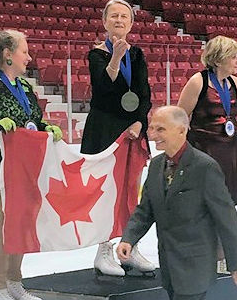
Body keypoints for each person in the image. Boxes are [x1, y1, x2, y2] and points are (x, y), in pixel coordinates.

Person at [0, 29, 62, 300]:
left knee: (20, 221)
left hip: (20, 166)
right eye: (24, 51)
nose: (29, 57)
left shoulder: (25, 87)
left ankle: (14, 282)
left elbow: (33, 122)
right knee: (4, 220)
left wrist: (46, 127)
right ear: (8, 54)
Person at [117, 106, 237, 300]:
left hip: (195, 267)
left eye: (160, 129)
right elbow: (145, 209)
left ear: (181, 130)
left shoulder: (204, 167)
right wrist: (128, 238)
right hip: (169, 267)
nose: (153, 135)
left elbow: (226, 220)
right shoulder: (156, 165)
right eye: (152, 128)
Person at [80, 0, 154, 276]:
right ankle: (103, 250)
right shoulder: (96, 54)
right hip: (104, 130)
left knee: (130, 191)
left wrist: (138, 122)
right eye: (114, 16)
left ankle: (129, 247)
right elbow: (102, 90)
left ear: (132, 23)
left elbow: (144, 94)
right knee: (106, 192)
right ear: (105, 21)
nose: (119, 20)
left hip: (132, 130)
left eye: (125, 16)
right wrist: (114, 59)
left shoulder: (137, 55)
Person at [177, 35, 237, 206]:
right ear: (219, 60)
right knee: (202, 202)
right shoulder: (198, 81)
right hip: (203, 151)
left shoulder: (235, 82)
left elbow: (229, 115)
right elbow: (179, 118)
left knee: (226, 202)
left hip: (231, 148)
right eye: (233, 56)